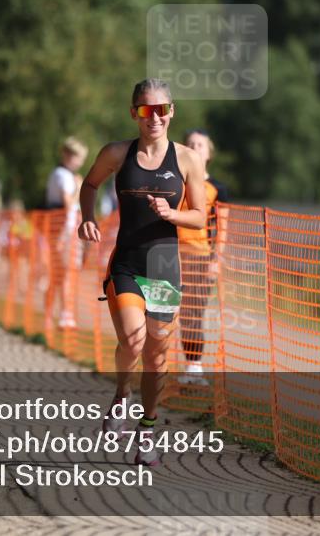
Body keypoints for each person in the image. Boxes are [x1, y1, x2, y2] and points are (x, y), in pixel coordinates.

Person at [78, 78, 206, 466]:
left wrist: (172, 214)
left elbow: (200, 217)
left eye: (162, 109)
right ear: (134, 113)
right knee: (133, 340)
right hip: (128, 263)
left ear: (172, 112)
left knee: (157, 355)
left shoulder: (186, 159)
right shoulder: (117, 153)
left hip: (165, 267)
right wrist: (87, 218)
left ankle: (148, 429)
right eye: (146, 110)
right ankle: (121, 396)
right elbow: (89, 184)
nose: (155, 118)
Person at [177, 129, 230, 385]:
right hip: (171, 255)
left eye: (200, 144)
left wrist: (216, 259)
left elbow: (223, 227)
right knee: (166, 312)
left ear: (209, 153)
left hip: (201, 257)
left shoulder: (218, 189)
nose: (195, 147)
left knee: (193, 312)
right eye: (190, 144)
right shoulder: (174, 181)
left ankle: (194, 367)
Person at [46, 137, 88, 329]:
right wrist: (79, 187)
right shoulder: (63, 175)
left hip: (66, 228)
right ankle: (65, 314)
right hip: (63, 229)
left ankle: (52, 313)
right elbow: (68, 203)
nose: (79, 162)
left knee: (61, 274)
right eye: (77, 157)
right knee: (64, 273)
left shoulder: (61, 174)